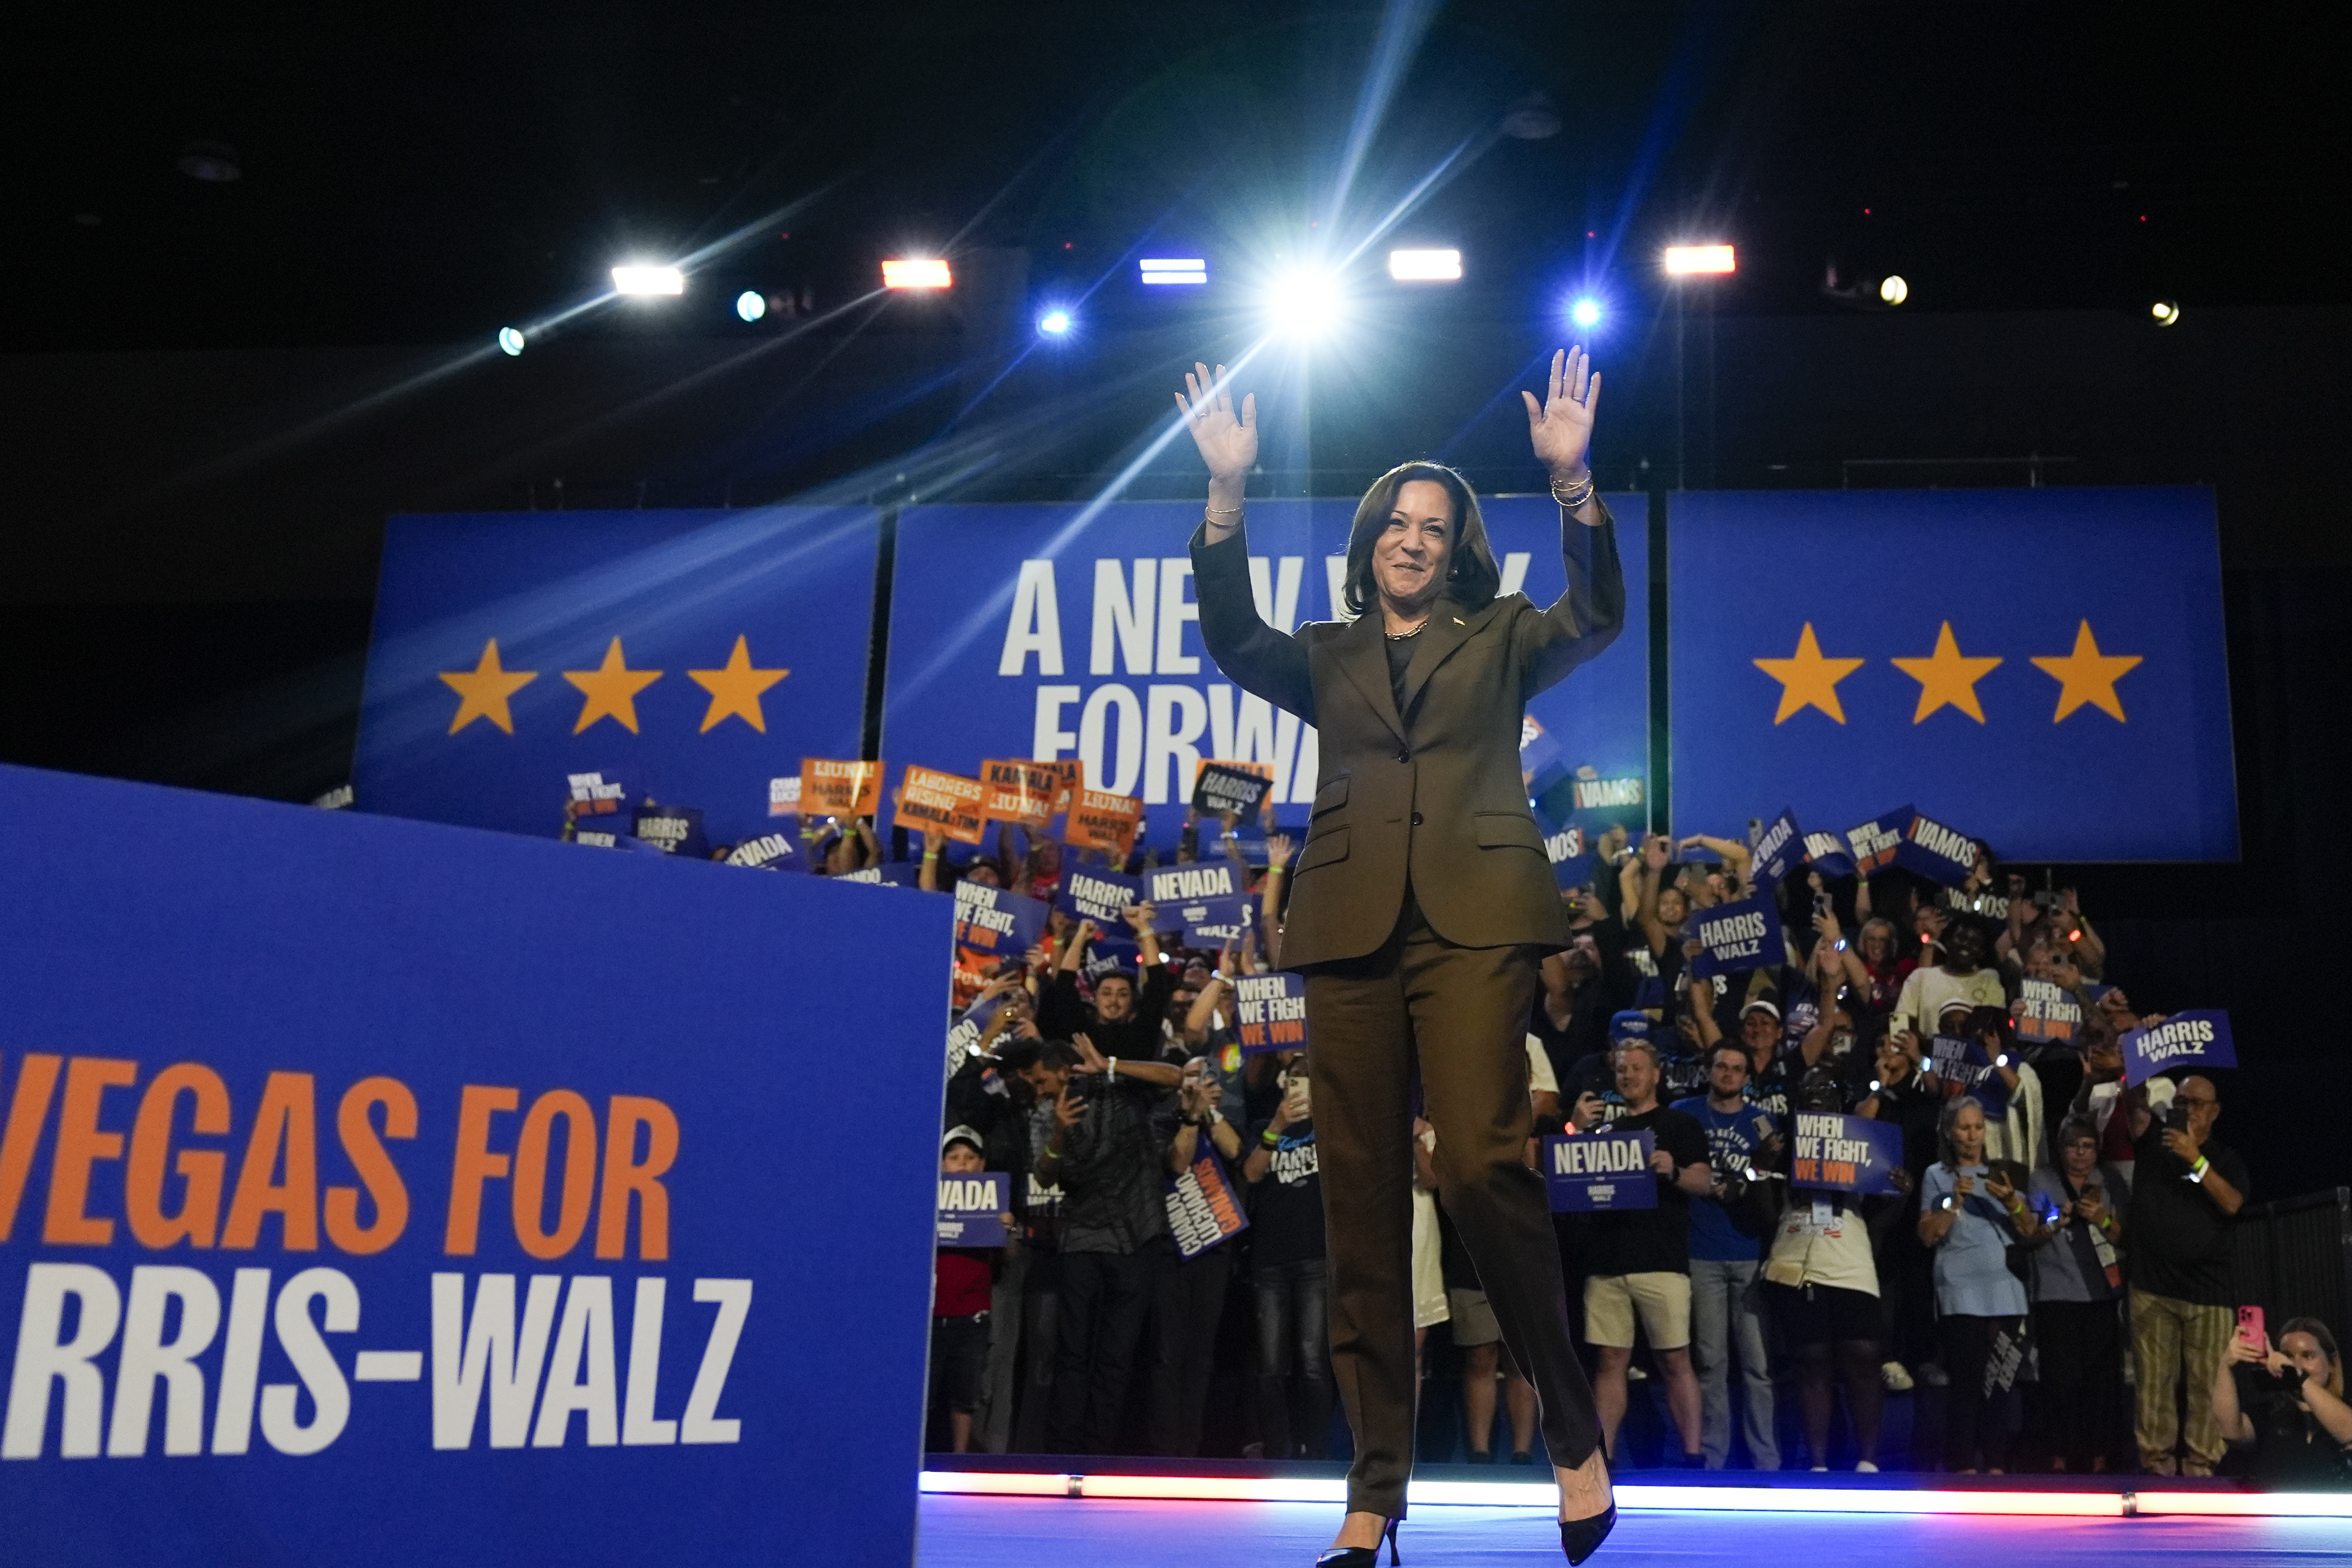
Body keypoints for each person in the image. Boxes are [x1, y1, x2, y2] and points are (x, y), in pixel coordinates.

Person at [1180, 347, 1623, 1563]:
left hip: (1477, 920)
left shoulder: (1499, 637)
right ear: (1370, 536)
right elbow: (1230, 634)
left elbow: (1595, 612)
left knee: (1482, 1166)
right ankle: (1373, 1490)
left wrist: (1573, 483)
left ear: (1456, 547)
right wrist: (1226, 497)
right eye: (1396, 521)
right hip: (1346, 932)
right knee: (1360, 1212)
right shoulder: (1323, 652)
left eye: (1434, 526)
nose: (1412, 539)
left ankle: (1572, 1431)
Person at [1034, 1034, 1185, 1454]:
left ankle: (1099, 1452)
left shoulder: (1124, 1086)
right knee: (1072, 1355)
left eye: (1045, 1080)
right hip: (1081, 1239)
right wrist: (1060, 1134)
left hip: (1136, 1237)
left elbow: (1174, 1078)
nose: (1041, 1089)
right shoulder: (1052, 1111)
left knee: (1117, 1359)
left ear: (1066, 1070)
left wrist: (1112, 1065)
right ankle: (1064, 1453)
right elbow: (1044, 1175)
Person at [1574, 1039, 1713, 1466]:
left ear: (1655, 1075)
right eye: (1621, 1070)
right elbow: (1566, 1176)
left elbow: (1703, 1183)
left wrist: (1673, 1171)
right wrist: (1574, 1130)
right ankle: (1605, 1460)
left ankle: (1693, 1457)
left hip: (1661, 1262)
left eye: (1636, 1068)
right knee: (1610, 1361)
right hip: (1608, 1264)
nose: (1628, 1075)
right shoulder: (1602, 1133)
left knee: (1674, 1360)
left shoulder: (1680, 1123)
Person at [1761, 1076, 1901, 1472]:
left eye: (1825, 1098)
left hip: (1850, 1256)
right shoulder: (1783, 1146)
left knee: (1863, 1356)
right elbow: (1767, 1215)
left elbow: (1880, 1219)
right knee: (1812, 1359)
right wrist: (1764, 1168)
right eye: (1808, 1098)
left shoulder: (1860, 1144)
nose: (1817, 1104)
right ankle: (1818, 1464)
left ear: (1839, 1105)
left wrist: (1897, 1193)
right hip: (1798, 1256)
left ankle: (1868, 1462)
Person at [2123, 1072, 2250, 1475]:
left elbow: (2232, 1204)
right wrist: (2134, 1053)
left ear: (2214, 1112)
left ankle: (2201, 1471)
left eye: (2195, 1104)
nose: (2186, 1111)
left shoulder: (2225, 1157)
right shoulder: (2153, 1143)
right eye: (2179, 1104)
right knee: (2153, 1384)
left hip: (2207, 1292)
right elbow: (2133, 1105)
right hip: (2153, 1287)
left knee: (2207, 1386)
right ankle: (2156, 1466)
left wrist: (2195, 1158)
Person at [1672, 1042, 1782, 1470]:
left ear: (1747, 1078)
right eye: (1721, 1066)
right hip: (1701, 1252)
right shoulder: (1684, 1113)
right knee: (1711, 1364)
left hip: (1749, 1253)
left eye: (1737, 1069)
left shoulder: (1760, 1121)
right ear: (1710, 1069)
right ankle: (1713, 1459)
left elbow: (1768, 1187)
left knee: (1758, 1367)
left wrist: (1748, 1177)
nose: (1728, 1074)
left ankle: (1766, 1461)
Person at [1918, 1096, 2035, 1472]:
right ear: (1950, 1133)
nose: (1971, 1136)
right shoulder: (1935, 1175)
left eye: (1977, 1127)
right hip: (1961, 1294)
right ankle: (1962, 1466)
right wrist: (1953, 1203)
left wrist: (2013, 1202)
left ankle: (1997, 1466)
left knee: (2000, 1387)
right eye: (1964, 1128)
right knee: (1966, 1386)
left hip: (2007, 1294)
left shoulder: (2003, 1174)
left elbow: (2030, 1231)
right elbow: (1927, 1236)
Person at [1150, 1055, 1246, 1457]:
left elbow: (1235, 1149)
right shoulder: (1162, 1119)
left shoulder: (1223, 1118)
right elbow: (1178, 1162)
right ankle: (1164, 1447)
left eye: (1204, 1078)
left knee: (1201, 1353)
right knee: (1168, 1353)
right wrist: (1190, 1117)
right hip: (1171, 1251)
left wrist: (1207, 1113)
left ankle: (1189, 1445)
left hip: (1214, 1248)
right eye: (1190, 1077)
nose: (1196, 1084)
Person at [2024, 1117, 2126, 1473]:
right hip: (2056, 1293)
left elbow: (2120, 1236)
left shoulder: (2108, 1180)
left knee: (2101, 1382)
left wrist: (2101, 1218)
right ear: (2060, 1148)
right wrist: (2058, 1220)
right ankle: (2059, 1456)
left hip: (2100, 1293)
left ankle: (2099, 1456)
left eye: (2087, 1146)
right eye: (2073, 1145)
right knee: (2060, 1379)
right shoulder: (2042, 1180)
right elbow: (2030, 1233)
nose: (2080, 1153)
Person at [1244, 1054, 1334, 1460]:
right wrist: (1278, 1125)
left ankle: (1314, 1452)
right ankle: (1278, 1450)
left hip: (1315, 1256)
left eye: (1307, 1081)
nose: (1299, 1087)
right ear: (1283, 1085)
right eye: (1294, 1080)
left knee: (1314, 1364)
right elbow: (1251, 1173)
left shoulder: (1330, 1126)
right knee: (1270, 1369)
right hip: (1270, 1260)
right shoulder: (1266, 1124)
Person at [932, 1128, 1013, 1453]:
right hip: (932, 1314)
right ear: (941, 1164)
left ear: (981, 1165)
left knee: (965, 1397)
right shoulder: (925, 1202)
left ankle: (960, 1459)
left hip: (973, 1314)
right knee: (925, 1393)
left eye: (969, 1158)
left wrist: (1010, 1228)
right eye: (953, 1158)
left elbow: (1012, 1255)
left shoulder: (993, 1204)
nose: (962, 1165)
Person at [2212, 1317, 2352, 1487]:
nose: (2297, 1364)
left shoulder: (2345, 1410)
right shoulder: (2272, 1413)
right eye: (2288, 1357)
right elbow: (2231, 1432)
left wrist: (2298, 1377)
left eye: (2308, 1356)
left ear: (2332, 1363)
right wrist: (2226, 1365)